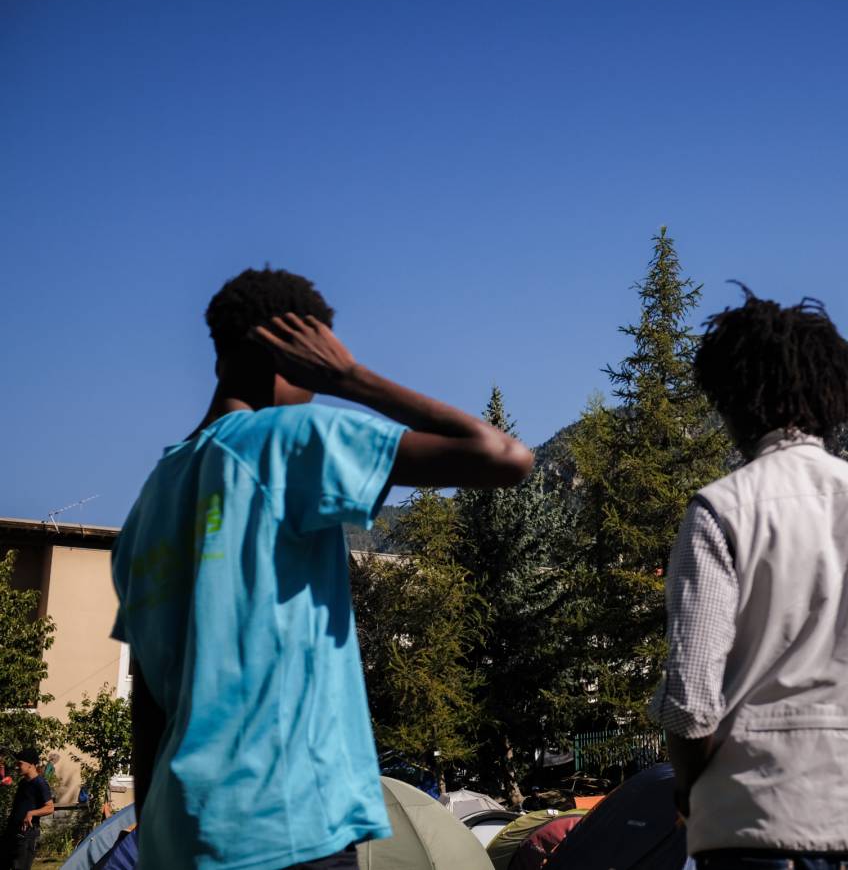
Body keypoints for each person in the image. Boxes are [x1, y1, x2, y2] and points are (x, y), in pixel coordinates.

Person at [111, 268, 533, 870]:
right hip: (281, 820)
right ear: (299, 353)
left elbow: (148, 703)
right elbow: (504, 456)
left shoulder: (151, 500)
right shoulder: (284, 440)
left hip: (178, 833)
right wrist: (351, 378)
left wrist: (155, 831)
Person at [648, 290, 848, 870]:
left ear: (733, 399)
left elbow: (691, 704)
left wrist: (689, 786)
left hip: (749, 827)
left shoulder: (720, 509)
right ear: (833, 396)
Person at [1, 748, 54, 870]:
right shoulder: (23, 783)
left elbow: (50, 807)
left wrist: (32, 813)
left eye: (19, 763)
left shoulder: (40, 783)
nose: (16, 766)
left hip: (26, 835)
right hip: (12, 832)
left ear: (31, 765)